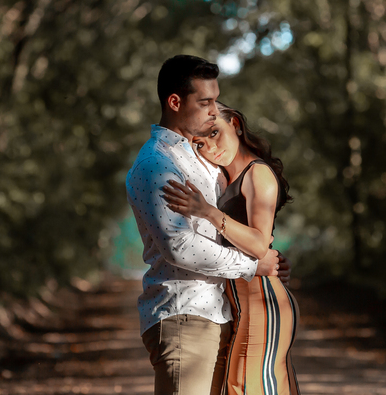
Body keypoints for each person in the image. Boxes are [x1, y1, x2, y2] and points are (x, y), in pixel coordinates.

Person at [126, 55, 286, 395]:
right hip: (184, 315)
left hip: (220, 313)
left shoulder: (199, 155)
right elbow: (179, 246)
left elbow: (236, 224)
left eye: (216, 100)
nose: (214, 111)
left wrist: (267, 258)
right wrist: (253, 266)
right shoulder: (157, 164)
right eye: (205, 102)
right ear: (175, 102)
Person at [161, 101, 300, 395]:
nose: (210, 148)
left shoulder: (257, 174)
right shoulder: (225, 179)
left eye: (214, 133)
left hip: (263, 304)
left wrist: (208, 212)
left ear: (234, 123)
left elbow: (260, 244)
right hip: (241, 305)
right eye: (199, 144)